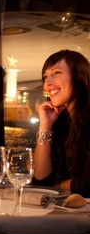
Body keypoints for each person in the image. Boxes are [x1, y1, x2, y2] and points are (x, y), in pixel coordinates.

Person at [33, 49, 90, 197]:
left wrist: (60, 185)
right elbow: (40, 182)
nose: (48, 83)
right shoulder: (61, 121)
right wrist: (45, 126)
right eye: (45, 77)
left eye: (57, 73)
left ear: (78, 77)